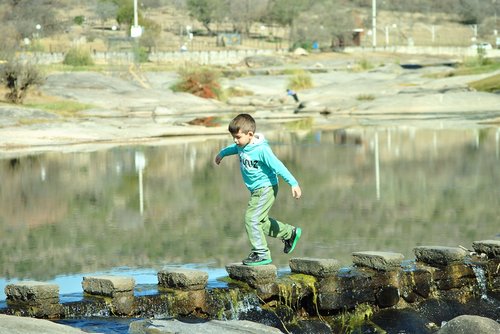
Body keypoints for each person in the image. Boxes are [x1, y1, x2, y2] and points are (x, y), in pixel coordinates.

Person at [215, 114, 302, 266]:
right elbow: (233, 148)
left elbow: (278, 166)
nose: (235, 140)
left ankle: (261, 253)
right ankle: (289, 233)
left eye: (238, 137)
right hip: (256, 190)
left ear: (250, 134)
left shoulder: (261, 150)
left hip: (266, 188)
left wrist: (293, 183)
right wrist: (221, 154)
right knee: (260, 222)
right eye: (233, 137)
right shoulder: (242, 145)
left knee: (251, 219)